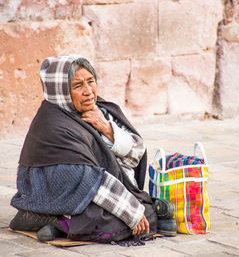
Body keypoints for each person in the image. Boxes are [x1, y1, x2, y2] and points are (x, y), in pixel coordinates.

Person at [9, 54, 176, 243]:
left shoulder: (98, 111)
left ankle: (56, 224)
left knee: (136, 213)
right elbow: (89, 179)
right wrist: (132, 212)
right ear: (61, 91)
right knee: (128, 218)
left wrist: (107, 129)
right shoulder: (53, 124)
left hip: (87, 190)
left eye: (91, 81)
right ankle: (55, 220)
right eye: (78, 86)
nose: (88, 91)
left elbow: (136, 154)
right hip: (54, 194)